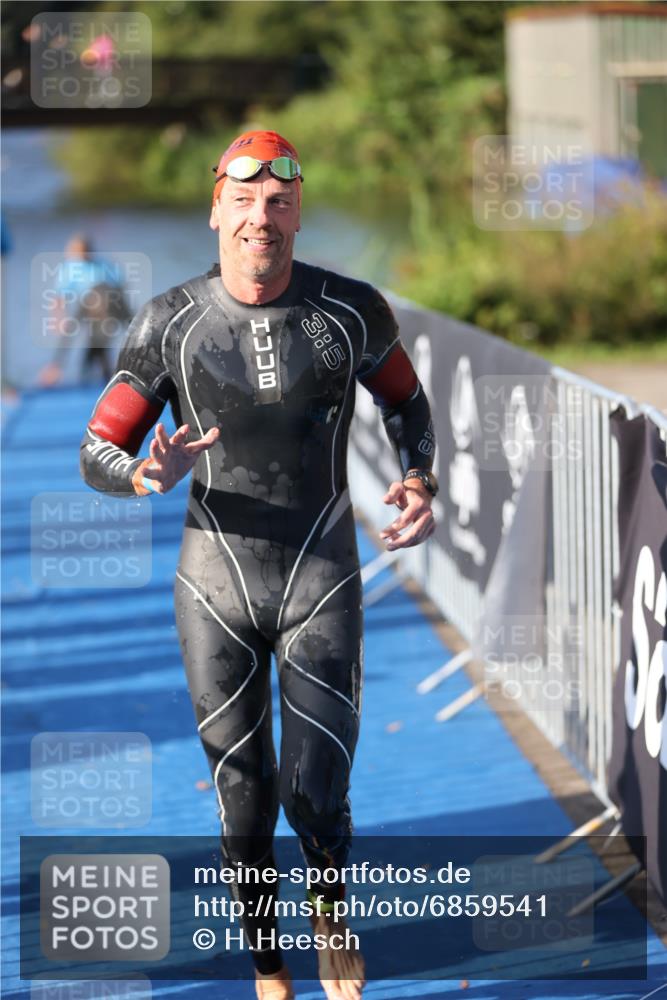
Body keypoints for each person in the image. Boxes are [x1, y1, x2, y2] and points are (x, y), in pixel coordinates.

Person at [79, 130, 438, 1000]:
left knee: (316, 796)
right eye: (242, 202)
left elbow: (408, 403)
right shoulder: (170, 320)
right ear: (215, 210)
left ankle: (328, 906)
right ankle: (270, 973)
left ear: (297, 212)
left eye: (277, 203)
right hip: (215, 583)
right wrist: (144, 475)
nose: (259, 219)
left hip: (321, 575)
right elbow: (97, 449)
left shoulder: (351, 311)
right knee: (242, 806)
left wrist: (420, 476)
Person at [39, 234, 130, 386]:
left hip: (109, 301)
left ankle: (97, 375)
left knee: (99, 342)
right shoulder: (71, 268)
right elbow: (58, 298)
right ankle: (57, 368)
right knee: (89, 340)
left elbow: (120, 289)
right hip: (92, 303)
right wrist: (58, 319)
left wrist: (128, 319)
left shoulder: (103, 264)